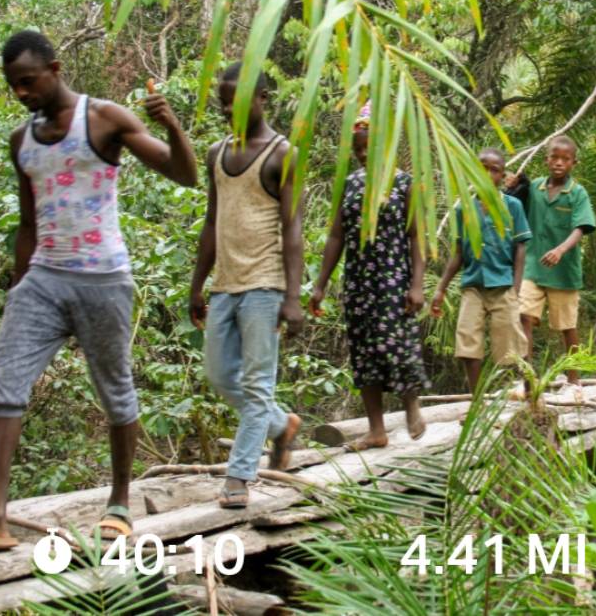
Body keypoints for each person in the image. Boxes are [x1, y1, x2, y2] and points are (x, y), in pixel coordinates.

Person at [0, 30, 198, 550]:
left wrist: (172, 125)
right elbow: (29, 224)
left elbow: (183, 175)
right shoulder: (21, 141)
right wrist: (18, 287)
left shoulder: (104, 119)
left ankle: (119, 503)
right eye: (13, 85)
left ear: (54, 70)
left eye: (28, 81)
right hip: (43, 281)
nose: (21, 93)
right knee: (5, 382)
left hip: (104, 279)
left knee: (115, 390)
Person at [189, 63, 305, 509]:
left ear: (261, 99)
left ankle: (239, 475)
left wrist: (292, 296)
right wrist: (197, 285)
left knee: (257, 385)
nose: (228, 110)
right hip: (225, 284)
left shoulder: (282, 154)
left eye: (236, 101)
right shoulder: (216, 153)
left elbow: (292, 229)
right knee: (219, 376)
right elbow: (211, 221)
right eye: (223, 103)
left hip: (265, 284)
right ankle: (281, 426)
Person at [309, 104, 427, 451]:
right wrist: (320, 284)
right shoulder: (349, 185)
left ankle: (411, 405)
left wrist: (417, 284)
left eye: (368, 147)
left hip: (394, 279)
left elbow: (416, 236)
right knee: (363, 353)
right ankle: (376, 430)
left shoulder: (404, 184)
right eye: (357, 148)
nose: (362, 154)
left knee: (397, 343)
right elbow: (336, 236)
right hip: (359, 282)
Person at [430, 149, 532, 390]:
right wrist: (440, 289)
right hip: (473, 285)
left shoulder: (513, 206)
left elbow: (520, 248)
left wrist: (516, 287)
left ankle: (532, 392)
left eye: (494, 170)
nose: (487, 174)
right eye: (482, 168)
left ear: (502, 176)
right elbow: (458, 253)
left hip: (503, 285)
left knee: (513, 343)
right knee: (467, 341)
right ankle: (476, 399)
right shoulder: (462, 210)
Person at [518, 136, 596, 385]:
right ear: (547, 159)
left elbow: (581, 227)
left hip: (563, 273)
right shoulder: (535, 188)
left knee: (567, 326)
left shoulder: (577, 193)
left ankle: (574, 380)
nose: (559, 163)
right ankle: (528, 380)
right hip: (532, 267)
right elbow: (514, 202)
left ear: (574, 162)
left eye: (565, 159)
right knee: (523, 316)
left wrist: (561, 250)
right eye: (555, 157)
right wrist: (513, 183)